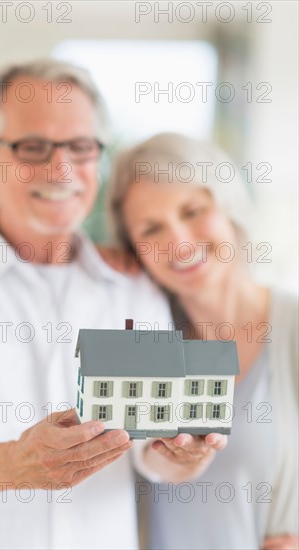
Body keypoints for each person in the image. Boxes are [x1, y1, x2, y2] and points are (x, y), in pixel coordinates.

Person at [0, 62, 227, 550]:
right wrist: (15, 462)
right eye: (32, 147)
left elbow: (149, 452)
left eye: (81, 147)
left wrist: (182, 456)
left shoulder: (135, 285)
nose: (62, 169)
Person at [106, 133, 299, 550]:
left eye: (193, 210)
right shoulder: (143, 343)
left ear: (229, 209)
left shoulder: (293, 329)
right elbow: (142, 457)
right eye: (151, 228)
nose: (177, 241)